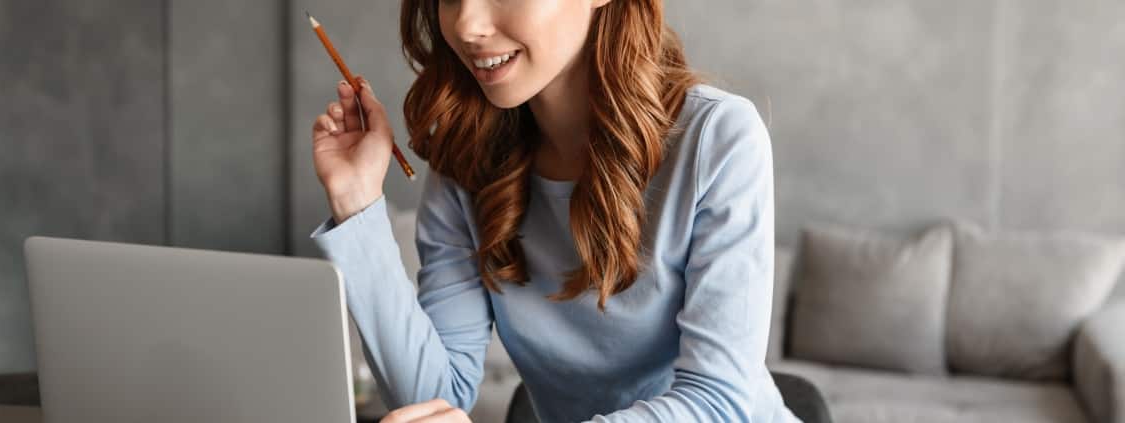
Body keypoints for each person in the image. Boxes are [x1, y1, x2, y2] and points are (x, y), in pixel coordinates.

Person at [309, 0, 800, 421]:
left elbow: (717, 403)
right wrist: (358, 204)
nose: (465, 25)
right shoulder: (467, 160)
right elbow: (432, 402)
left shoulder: (717, 138)